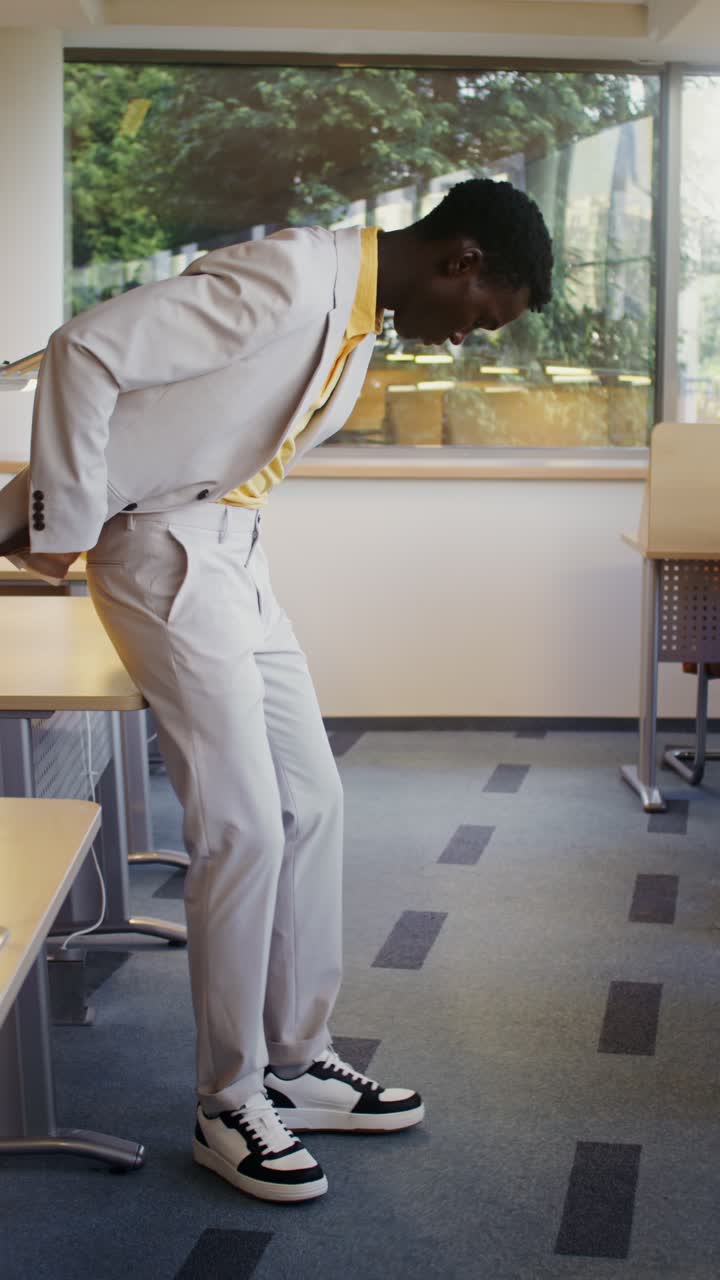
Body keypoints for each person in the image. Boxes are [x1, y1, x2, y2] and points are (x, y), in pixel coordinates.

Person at [1, 178, 553, 1203]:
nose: (466, 339)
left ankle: (296, 1061)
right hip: (164, 550)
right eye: (479, 318)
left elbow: (191, 419)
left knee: (313, 800)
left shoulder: (358, 321)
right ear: (461, 259)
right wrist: (60, 517)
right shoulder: (292, 275)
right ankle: (227, 1099)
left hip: (237, 556)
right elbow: (87, 347)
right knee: (243, 827)